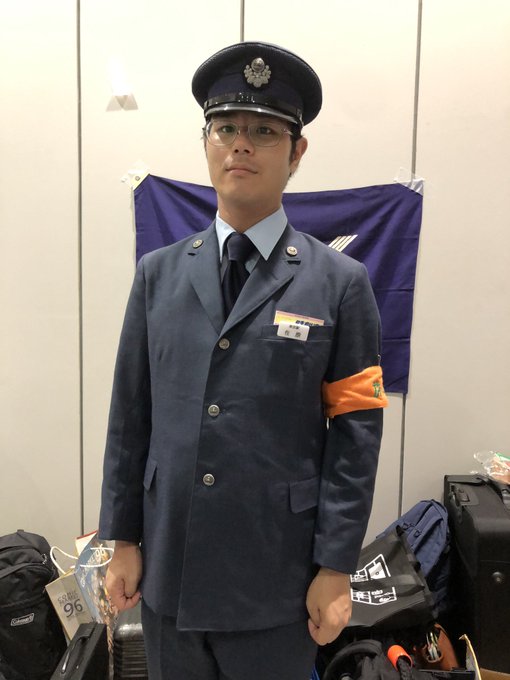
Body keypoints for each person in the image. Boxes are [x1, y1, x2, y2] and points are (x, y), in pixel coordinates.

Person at [99, 41, 388, 680]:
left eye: (264, 131)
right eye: (225, 128)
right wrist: (122, 539)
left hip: (278, 581)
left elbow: (357, 433)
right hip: (170, 568)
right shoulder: (158, 275)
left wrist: (336, 566)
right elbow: (130, 417)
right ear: (206, 143)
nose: (241, 145)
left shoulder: (340, 284)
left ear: (297, 151)